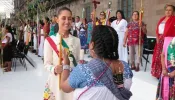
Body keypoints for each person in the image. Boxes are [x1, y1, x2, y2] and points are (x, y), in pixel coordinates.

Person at [59, 25, 132, 100]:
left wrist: (66, 65)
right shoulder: (125, 66)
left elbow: (65, 87)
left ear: (92, 45)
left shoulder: (83, 70)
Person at [43, 7, 81, 100]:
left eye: (69, 18)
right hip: (56, 82)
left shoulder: (76, 41)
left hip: (71, 82)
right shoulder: (49, 40)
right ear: (57, 19)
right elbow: (46, 64)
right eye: (63, 18)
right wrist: (54, 69)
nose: (67, 21)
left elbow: (78, 62)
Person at [151, 4, 175, 78]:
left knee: (166, 56)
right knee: (159, 56)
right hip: (160, 40)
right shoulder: (162, 19)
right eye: (166, 10)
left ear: (173, 11)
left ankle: (167, 71)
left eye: (170, 10)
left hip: (169, 40)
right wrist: (157, 39)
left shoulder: (173, 19)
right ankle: (158, 73)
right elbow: (157, 30)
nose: (168, 11)